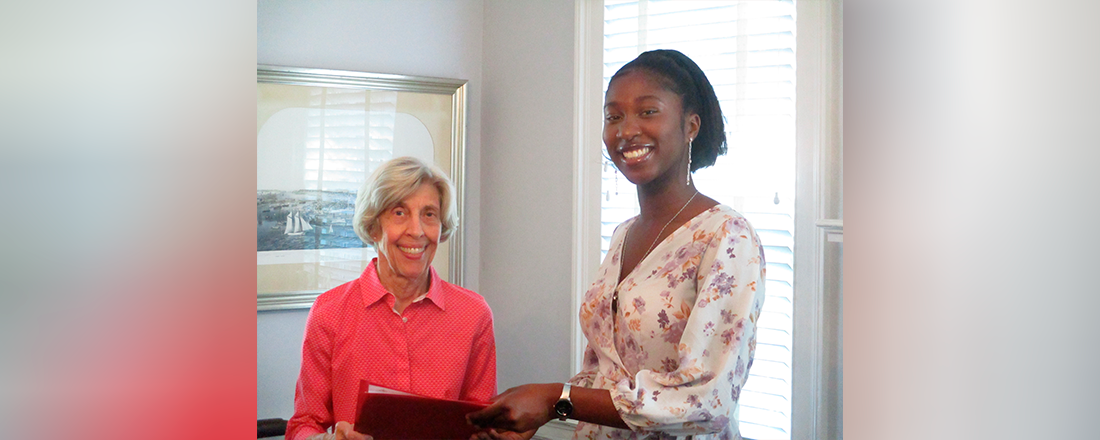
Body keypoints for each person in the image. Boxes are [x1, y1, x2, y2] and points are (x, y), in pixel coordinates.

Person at [467, 49, 767, 440]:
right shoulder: (624, 234)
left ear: (690, 125)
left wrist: (555, 399)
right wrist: (534, 414)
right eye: (613, 116)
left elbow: (705, 402)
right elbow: (605, 371)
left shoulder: (727, 236)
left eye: (647, 112)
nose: (626, 130)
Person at [286, 156, 497, 440]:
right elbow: (303, 425)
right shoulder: (330, 312)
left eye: (429, 214)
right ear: (373, 227)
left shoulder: (473, 314)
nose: (417, 230)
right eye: (399, 212)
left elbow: (483, 422)